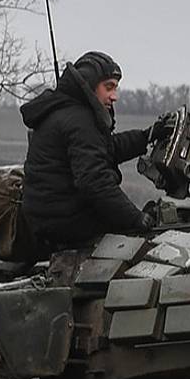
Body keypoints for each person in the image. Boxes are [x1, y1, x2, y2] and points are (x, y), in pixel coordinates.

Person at [20, 51, 158, 252]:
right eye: (108, 87)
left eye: (116, 88)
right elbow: (95, 182)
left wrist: (147, 136)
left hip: (49, 214)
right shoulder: (79, 121)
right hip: (63, 220)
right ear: (89, 85)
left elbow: (106, 149)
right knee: (137, 240)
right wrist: (135, 218)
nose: (114, 96)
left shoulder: (69, 112)